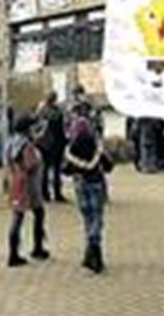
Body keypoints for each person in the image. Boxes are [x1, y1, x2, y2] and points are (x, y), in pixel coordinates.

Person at [62, 101, 114, 274]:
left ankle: (90, 253)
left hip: (80, 185)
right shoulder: (96, 146)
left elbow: (65, 170)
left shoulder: (73, 148)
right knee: (97, 217)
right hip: (96, 183)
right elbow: (108, 166)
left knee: (87, 218)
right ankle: (94, 249)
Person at [5, 114, 48, 267]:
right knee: (35, 214)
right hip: (29, 185)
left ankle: (14, 252)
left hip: (15, 182)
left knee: (18, 215)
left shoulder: (10, 142)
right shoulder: (26, 145)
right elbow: (31, 164)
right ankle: (33, 249)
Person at [36, 92, 68, 202]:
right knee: (56, 170)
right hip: (56, 143)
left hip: (42, 143)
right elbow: (62, 129)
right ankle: (57, 193)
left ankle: (44, 193)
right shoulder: (58, 112)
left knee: (44, 169)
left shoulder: (40, 111)